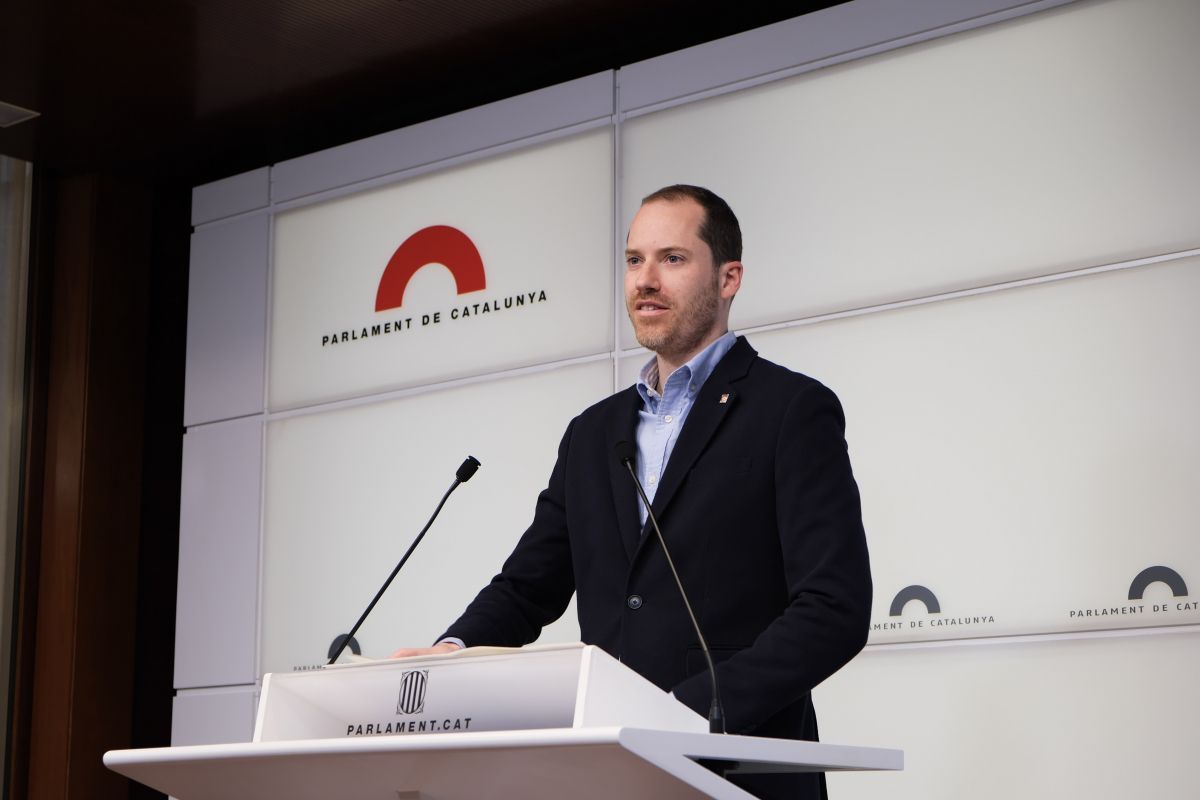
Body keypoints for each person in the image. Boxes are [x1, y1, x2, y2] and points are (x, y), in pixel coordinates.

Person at [393, 185, 871, 800]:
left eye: (672, 259)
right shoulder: (594, 434)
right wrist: (453, 654)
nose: (646, 279)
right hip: (607, 776)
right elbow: (529, 586)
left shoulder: (790, 410)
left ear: (729, 278)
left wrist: (686, 709)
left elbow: (834, 608)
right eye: (633, 260)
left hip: (739, 774)